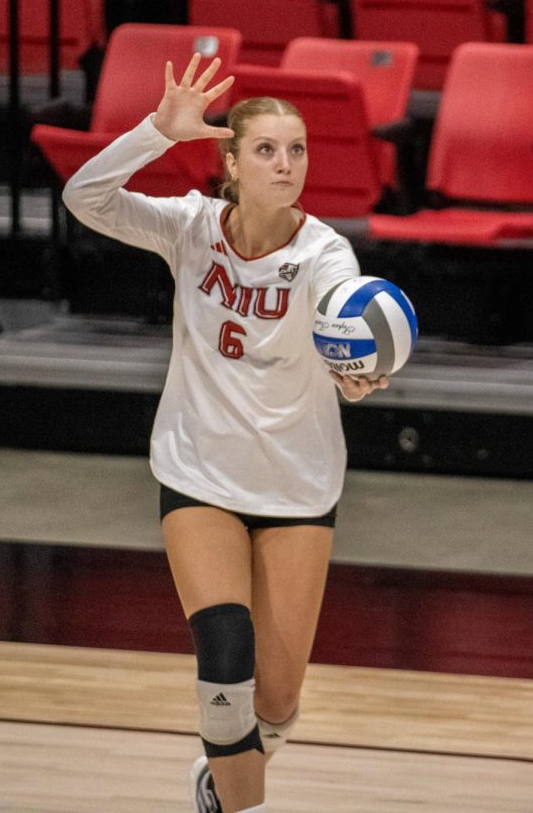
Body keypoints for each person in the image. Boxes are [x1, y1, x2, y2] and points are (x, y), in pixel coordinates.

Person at [63, 54, 387, 813]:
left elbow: (348, 323)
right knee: (225, 654)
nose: (285, 163)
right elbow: (85, 195)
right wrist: (154, 132)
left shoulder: (325, 253)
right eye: (267, 149)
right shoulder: (189, 226)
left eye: (297, 149)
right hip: (200, 474)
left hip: (296, 486)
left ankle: (223, 779)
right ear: (231, 162)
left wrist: (358, 369)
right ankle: (240, 804)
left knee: (275, 703)